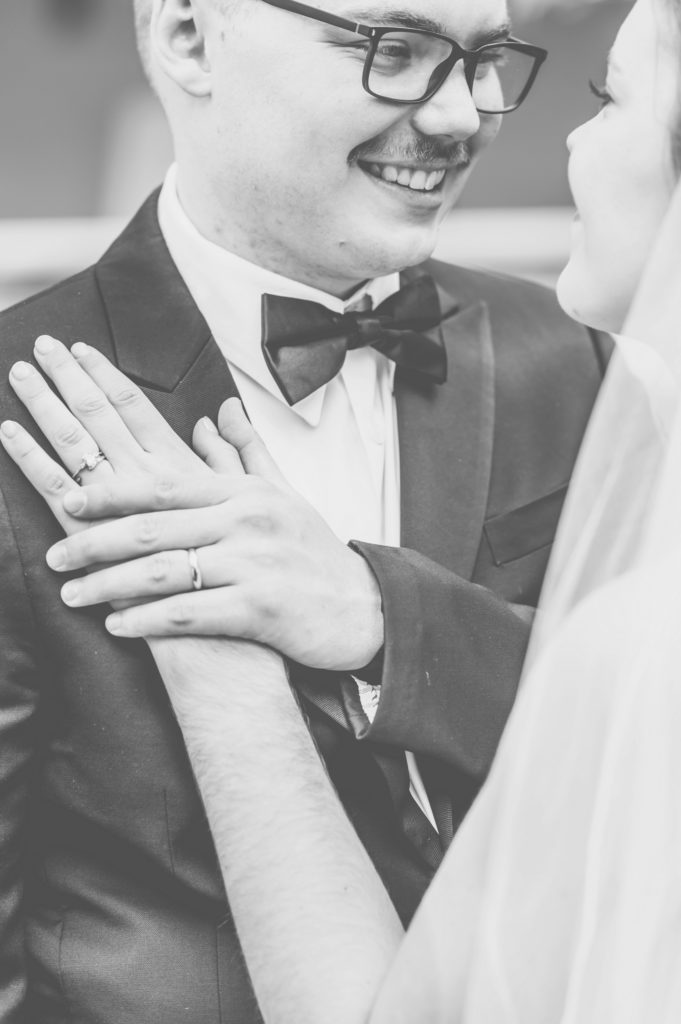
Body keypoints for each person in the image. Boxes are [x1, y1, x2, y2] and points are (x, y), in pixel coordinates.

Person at [5, 0, 670, 1020]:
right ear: (190, 36)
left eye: (485, 58)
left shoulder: (575, 358)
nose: (461, 117)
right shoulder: (20, 406)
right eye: (393, 51)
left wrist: (382, 622)